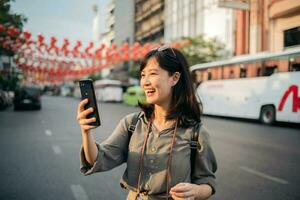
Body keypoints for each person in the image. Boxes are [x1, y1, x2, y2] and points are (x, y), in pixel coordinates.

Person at [76, 45, 217, 200]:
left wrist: (196, 192)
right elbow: (97, 159)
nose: (145, 82)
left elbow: (207, 182)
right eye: (143, 75)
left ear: (175, 78)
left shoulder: (196, 133)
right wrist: (86, 131)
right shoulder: (132, 124)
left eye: (152, 74)